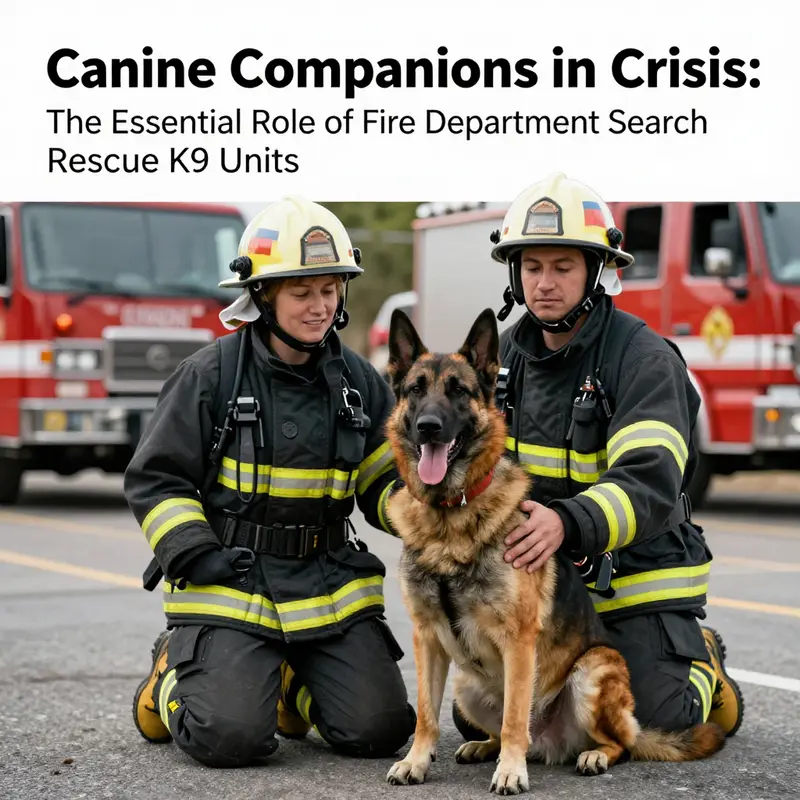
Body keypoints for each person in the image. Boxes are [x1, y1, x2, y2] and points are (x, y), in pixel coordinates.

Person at [452, 173, 744, 742]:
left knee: (651, 720)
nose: (544, 284)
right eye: (532, 267)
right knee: (477, 717)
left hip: (634, 580)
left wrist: (567, 521)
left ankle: (703, 663)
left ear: (596, 271)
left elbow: (651, 480)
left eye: (563, 267)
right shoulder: (505, 358)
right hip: (551, 587)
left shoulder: (643, 359)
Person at [127, 196, 416, 768]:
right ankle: (169, 681)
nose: (319, 307)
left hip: (328, 587)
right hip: (233, 585)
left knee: (380, 730)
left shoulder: (359, 381)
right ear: (262, 294)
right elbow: (157, 478)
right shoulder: (209, 375)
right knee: (230, 739)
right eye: (302, 292)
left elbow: (385, 480)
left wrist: (430, 515)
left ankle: (288, 686)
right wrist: (192, 550)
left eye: (330, 290)